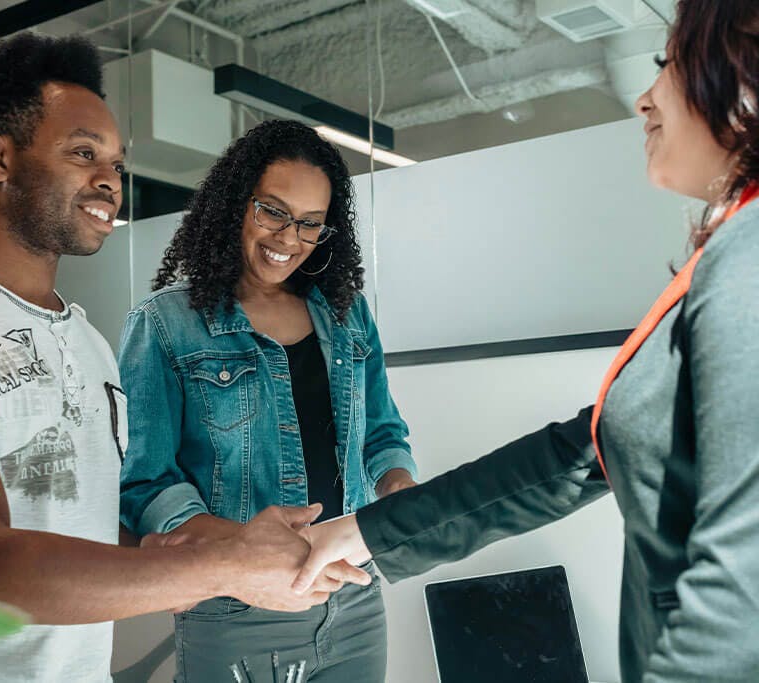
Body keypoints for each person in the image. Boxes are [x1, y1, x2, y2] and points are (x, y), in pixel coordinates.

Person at [293, 2, 759, 682]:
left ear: (740, 74)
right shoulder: (731, 253)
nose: (644, 97)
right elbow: (576, 456)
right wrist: (366, 532)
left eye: (669, 65)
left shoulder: (749, 261)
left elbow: (740, 591)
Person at [0, 32, 366, 683]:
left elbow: (81, 527)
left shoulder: (88, 343)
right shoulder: (157, 325)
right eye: (83, 153)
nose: (109, 180)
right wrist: (222, 566)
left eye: (115, 162)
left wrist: (216, 543)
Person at [118, 119, 418, 682]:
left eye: (309, 224)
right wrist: (242, 548)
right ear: (236, 203)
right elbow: (146, 482)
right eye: (273, 211)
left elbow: (381, 433)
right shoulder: (165, 324)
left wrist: (401, 492)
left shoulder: (348, 314)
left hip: (353, 599)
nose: (288, 239)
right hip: (238, 603)